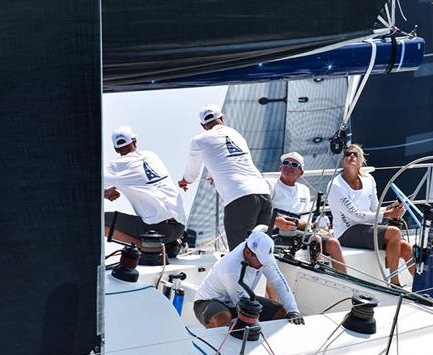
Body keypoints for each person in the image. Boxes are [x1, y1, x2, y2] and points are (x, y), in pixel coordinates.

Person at [179, 104, 272, 249]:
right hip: (264, 194)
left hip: (240, 198)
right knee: (261, 251)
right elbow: (231, 159)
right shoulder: (236, 134)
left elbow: (192, 174)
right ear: (222, 118)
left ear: (203, 125)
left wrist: (185, 181)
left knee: (240, 252)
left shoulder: (199, 140)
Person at [326, 144, 414, 286]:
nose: (352, 156)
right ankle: (395, 284)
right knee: (394, 232)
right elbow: (357, 216)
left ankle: (423, 288)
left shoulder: (369, 180)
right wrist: (388, 214)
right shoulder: (335, 185)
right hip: (346, 232)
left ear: (361, 160)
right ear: (343, 160)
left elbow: (375, 208)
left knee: (406, 247)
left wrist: (390, 209)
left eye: (355, 154)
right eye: (348, 154)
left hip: (367, 229)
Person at [193, 230, 304, 328]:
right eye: (262, 261)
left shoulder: (263, 255)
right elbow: (243, 307)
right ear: (247, 253)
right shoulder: (231, 268)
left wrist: (293, 310)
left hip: (237, 301)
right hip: (208, 302)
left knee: (280, 311)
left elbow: (279, 281)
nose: (264, 265)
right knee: (222, 318)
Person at [104, 126, 185, 254]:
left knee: (101, 222)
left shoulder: (115, 167)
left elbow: (92, 188)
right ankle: (169, 245)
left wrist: (105, 193)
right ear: (135, 141)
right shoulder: (152, 156)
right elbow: (141, 179)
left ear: (115, 149)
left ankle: (149, 247)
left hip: (157, 231)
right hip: (180, 227)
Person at [267, 152, 347, 272]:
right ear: (280, 167)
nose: (288, 166)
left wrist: (301, 224)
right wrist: (277, 221)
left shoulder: (304, 190)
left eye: (294, 164)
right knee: (315, 239)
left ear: (301, 172)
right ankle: (320, 274)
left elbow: (306, 221)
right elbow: (261, 210)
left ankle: (344, 281)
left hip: (299, 231)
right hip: (276, 233)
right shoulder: (269, 184)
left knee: (333, 243)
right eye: (285, 163)